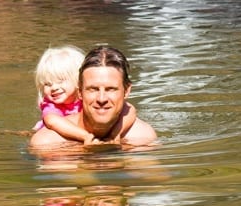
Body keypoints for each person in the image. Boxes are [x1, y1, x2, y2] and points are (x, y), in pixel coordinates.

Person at [29, 44, 157, 151]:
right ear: (80, 92)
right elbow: (51, 121)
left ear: (127, 91)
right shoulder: (46, 143)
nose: (101, 99)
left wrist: (115, 135)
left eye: (110, 89)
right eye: (93, 89)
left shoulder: (143, 137)